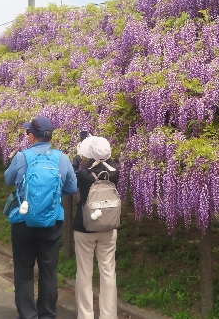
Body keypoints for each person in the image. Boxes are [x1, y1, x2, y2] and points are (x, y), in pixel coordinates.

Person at [5, 116, 78, 319]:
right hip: (52, 222)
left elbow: (8, 179)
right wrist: (53, 197)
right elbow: (72, 188)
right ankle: (47, 314)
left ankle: (28, 315)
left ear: (32, 136)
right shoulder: (62, 158)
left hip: (23, 220)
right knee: (48, 270)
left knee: (24, 270)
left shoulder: (22, 157)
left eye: (28, 132)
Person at [73, 135, 119, 319]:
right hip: (108, 227)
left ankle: (86, 315)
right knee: (108, 272)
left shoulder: (83, 175)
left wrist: (78, 157)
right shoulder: (115, 172)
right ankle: (109, 316)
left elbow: (70, 177)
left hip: (85, 227)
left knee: (85, 273)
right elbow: (110, 163)